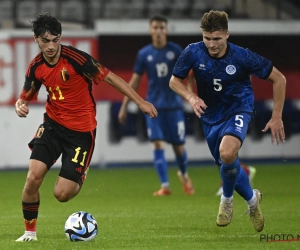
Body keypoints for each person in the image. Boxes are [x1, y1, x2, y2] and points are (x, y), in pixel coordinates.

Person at [15, 13, 158, 242]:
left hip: (81, 133)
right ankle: (29, 233)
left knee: (62, 194)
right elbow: (25, 97)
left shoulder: (77, 59)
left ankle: (81, 172)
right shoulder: (36, 67)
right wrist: (20, 105)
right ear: (36, 39)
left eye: (55, 40)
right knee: (33, 177)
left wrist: (140, 101)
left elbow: (110, 78)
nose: (51, 46)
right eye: (45, 40)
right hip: (52, 126)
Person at [169, 10, 286, 232]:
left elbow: (279, 79)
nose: (212, 44)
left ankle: (226, 200)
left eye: (217, 39)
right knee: (228, 164)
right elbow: (174, 81)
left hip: (238, 109)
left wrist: (277, 115)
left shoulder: (242, 56)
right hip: (210, 115)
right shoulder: (193, 52)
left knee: (227, 153)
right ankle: (253, 201)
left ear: (227, 35)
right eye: (207, 38)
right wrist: (192, 97)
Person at [118, 15, 194, 196]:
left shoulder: (176, 51)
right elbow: (135, 81)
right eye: (155, 27)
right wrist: (124, 105)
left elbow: (189, 74)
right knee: (157, 145)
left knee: (178, 148)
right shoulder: (144, 54)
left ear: (166, 30)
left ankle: (183, 174)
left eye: (162, 27)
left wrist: (190, 96)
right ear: (150, 30)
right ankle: (165, 186)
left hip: (174, 107)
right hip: (154, 108)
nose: (159, 31)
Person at [188, 71, 257, 196]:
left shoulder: (233, 57)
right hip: (211, 110)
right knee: (220, 151)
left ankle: (226, 185)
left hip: (233, 109)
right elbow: (189, 76)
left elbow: (247, 76)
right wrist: (192, 97)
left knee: (225, 149)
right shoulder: (200, 58)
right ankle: (244, 171)